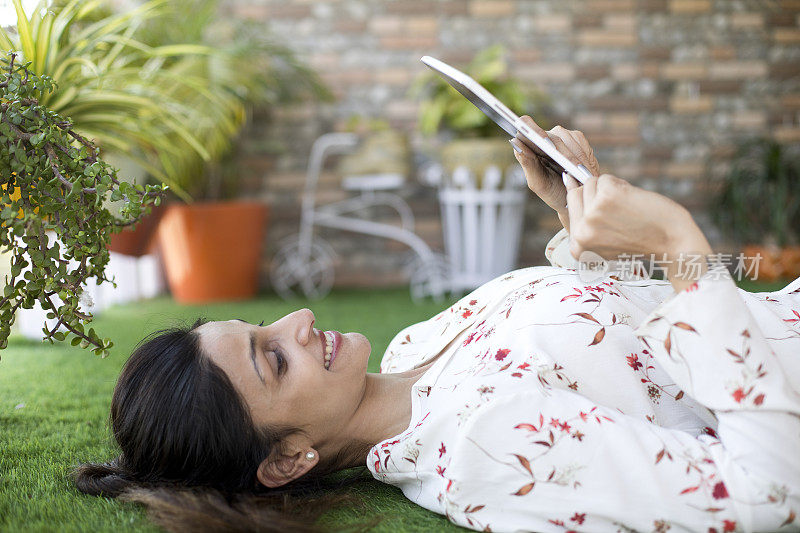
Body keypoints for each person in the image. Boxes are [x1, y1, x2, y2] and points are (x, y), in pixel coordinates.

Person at [75, 117, 800, 533]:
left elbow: (632, 336)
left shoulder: (414, 345)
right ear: (287, 460)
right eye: (274, 361)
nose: (298, 320)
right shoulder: (482, 444)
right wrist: (676, 244)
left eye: (264, 323)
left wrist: (575, 219)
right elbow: (768, 491)